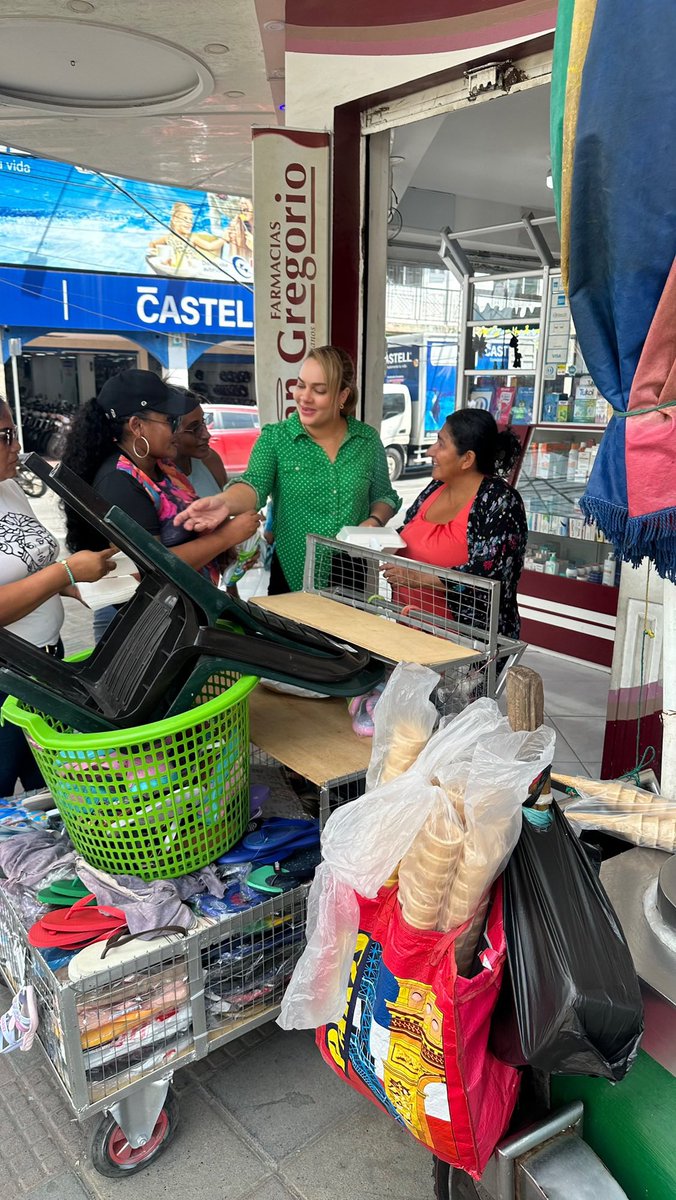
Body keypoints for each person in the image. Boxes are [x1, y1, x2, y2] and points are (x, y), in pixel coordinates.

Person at [174, 346, 401, 593]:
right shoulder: (276, 438)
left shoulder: (366, 440)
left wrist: (374, 520)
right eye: (301, 385)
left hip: (353, 568)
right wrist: (225, 503)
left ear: (342, 396)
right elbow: (254, 485)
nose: (304, 397)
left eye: (319, 390)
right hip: (292, 568)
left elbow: (384, 496)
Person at [61, 370, 260, 638]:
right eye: (169, 420)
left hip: (185, 618)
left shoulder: (162, 466)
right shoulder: (119, 483)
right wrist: (226, 537)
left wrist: (229, 550)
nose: (175, 431)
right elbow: (154, 567)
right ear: (137, 426)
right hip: (147, 629)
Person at [0, 400, 116, 794]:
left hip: (47, 660)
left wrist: (84, 587)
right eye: (5, 437)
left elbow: (29, 567)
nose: (16, 445)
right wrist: (65, 572)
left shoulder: (10, 487)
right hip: (6, 679)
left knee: (48, 787)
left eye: (14, 432)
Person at [382, 409, 527, 638]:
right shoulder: (435, 487)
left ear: (467, 459)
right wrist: (376, 539)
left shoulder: (499, 501)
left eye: (440, 444)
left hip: (466, 647)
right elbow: (409, 533)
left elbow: (490, 577)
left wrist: (418, 578)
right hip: (409, 632)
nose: (431, 451)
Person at [174, 397, 228, 498]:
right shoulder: (156, 481)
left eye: (203, 422)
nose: (206, 435)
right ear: (170, 431)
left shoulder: (210, 460)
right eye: (194, 428)